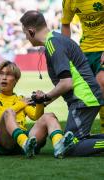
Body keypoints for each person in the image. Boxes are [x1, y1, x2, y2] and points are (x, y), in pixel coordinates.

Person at [20, 10, 104, 156]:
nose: (26, 37)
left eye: (25, 33)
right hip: (86, 97)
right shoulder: (55, 40)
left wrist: (45, 97)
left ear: (31, 31)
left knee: (71, 146)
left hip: (83, 99)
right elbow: (64, 85)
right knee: (76, 140)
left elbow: (67, 83)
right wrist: (43, 101)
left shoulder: (53, 44)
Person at [0, 60, 74, 158]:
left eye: (8, 75)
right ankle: (24, 143)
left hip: (22, 140)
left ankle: (59, 145)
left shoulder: (20, 99)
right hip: (1, 143)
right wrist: (20, 105)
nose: (4, 78)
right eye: (1, 74)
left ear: (16, 80)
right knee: (8, 112)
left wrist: (39, 102)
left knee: (49, 116)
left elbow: (36, 116)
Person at [61, 0, 104, 133]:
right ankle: (82, 130)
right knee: (86, 93)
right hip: (85, 50)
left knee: (102, 83)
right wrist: (66, 50)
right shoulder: (69, 1)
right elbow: (65, 24)